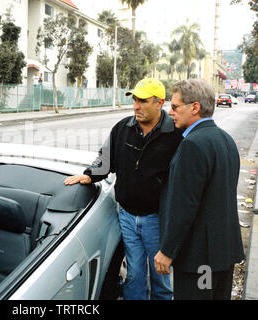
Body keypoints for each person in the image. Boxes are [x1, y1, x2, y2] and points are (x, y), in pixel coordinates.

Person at [64, 78, 184, 300]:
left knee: (161, 280)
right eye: (135, 100)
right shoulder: (123, 128)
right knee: (134, 277)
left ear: (160, 103)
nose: (136, 106)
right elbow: (106, 159)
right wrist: (89, 175)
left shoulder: (176, 135)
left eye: (143, 101)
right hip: (127, 217)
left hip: (157, 221)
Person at [154, 79, 245, 300]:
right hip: (223, 253)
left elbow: (184, 206)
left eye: (175, 107)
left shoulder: (193, 145)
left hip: (199, 259)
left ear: (194, 107)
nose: (170, 112)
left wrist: (167, 251)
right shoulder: (225, 139)